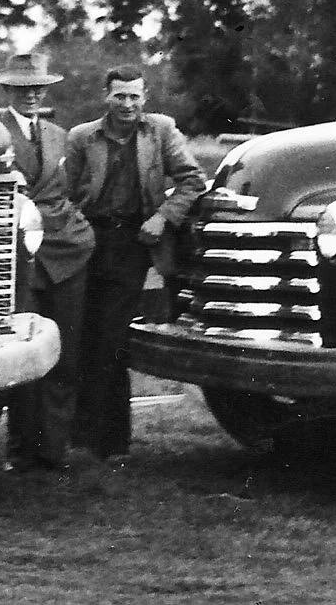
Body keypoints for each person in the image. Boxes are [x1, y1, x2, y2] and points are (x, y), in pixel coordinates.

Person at [66, 64, 206, 464]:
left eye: (134, 96)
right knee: (83, 335)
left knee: (110, 338)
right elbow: (68, 192)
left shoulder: (160, 131)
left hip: (134, 241)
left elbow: (193, 179)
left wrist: (163, 217)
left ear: (145, 98)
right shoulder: (82, 137)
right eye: (119, 96)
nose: (127, 104)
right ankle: (84, 433)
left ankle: (109, 439)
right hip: (88, 241)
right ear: (105, 97)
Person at [0, 52, 96, 474]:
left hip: (68, 251)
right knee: (23, 351)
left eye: (38, 88)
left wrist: (76, 225)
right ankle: (21, 449)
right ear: (7, 90)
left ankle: (54, 449)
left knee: (64, 351)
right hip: (20, 254)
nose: (32, 94)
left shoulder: (59, 135)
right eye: (23, 88)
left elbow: (77, 189)